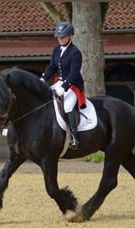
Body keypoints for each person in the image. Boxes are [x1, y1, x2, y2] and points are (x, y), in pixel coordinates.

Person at [40, 21, 86, 150]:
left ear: (70, 36)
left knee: (68, 106)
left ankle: (74, 138)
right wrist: (43, 79)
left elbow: (74, 73)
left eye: (63, 37)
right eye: (59, 37)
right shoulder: (56, 49)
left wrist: (64, 87)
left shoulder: (75, 52)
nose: (60, 39)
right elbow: (52, 67)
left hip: (73, 84)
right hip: (59, 81)